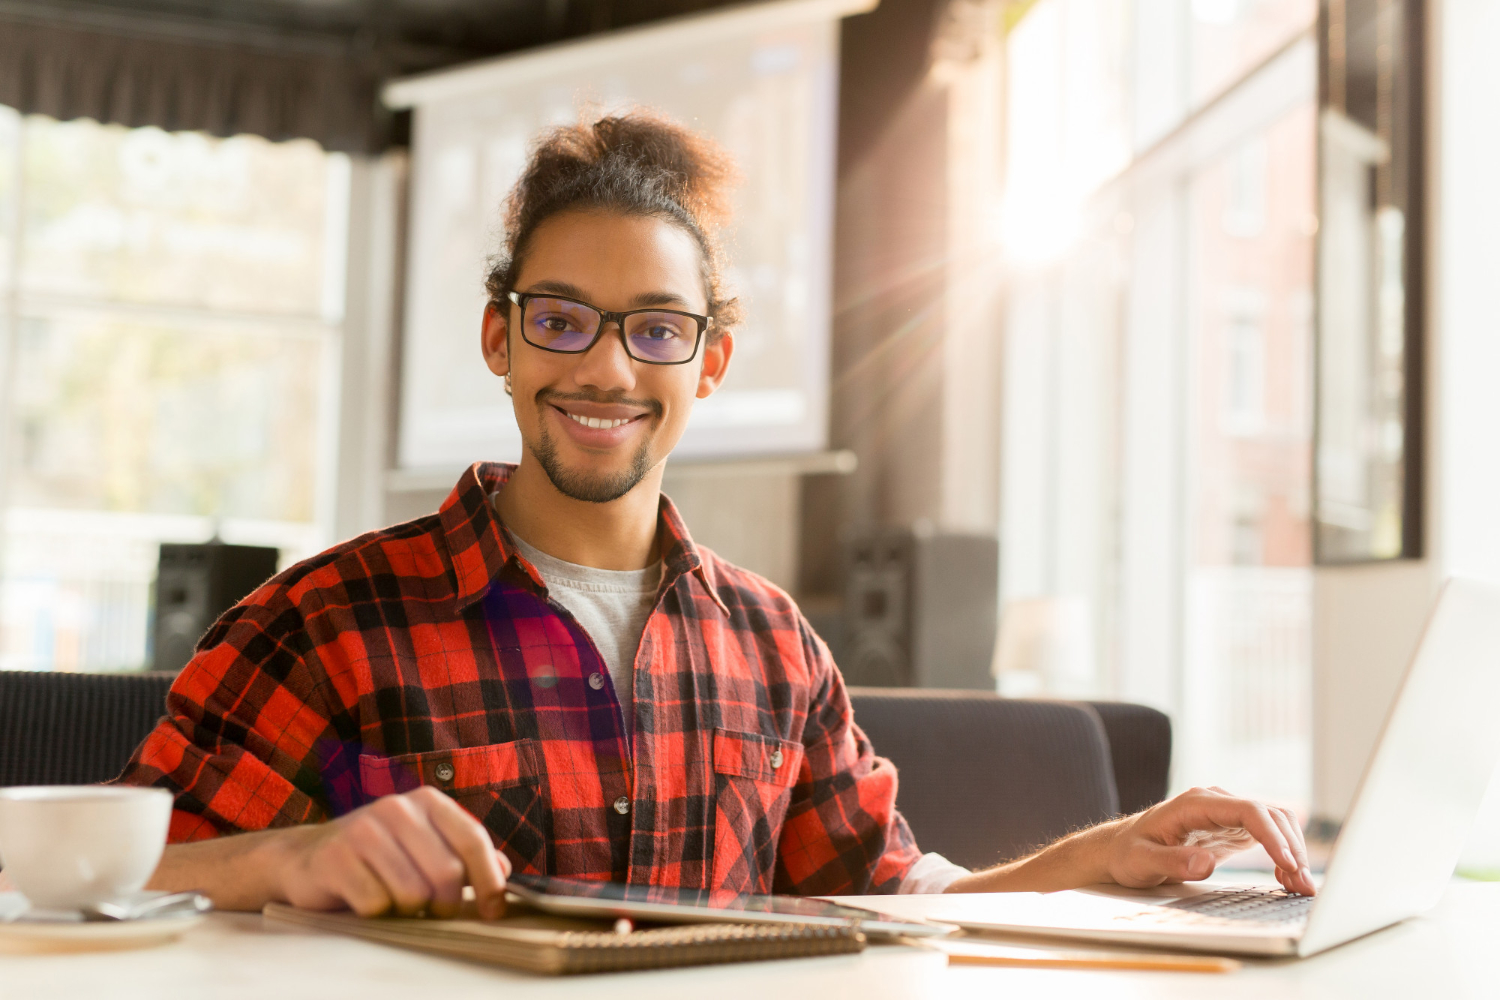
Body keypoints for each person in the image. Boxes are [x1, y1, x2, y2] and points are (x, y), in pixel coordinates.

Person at [120, 112, 1315, 919]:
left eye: (654, 328)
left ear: (711, 361)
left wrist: (1103, 857)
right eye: (560, 319)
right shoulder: (327, 622)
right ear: (501, 336)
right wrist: (292, 852)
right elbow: (99, 881)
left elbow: (895, 904)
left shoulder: (773, 643)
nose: (605, 368)